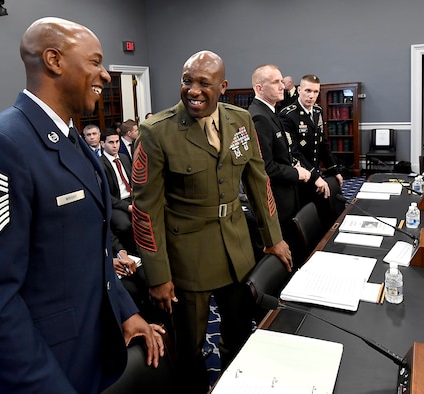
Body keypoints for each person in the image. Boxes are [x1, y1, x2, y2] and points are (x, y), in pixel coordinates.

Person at [0, 17, 164, 393]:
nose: (105, 74)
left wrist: (125, 312)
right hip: (35, 371)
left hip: (86, 350)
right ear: (54, 60)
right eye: (95, 61)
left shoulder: (71, 140)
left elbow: (89, 253)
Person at [132, 50, 292, 393]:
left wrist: (273, 237)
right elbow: (146, 210)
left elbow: (257, 179)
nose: (193, 90)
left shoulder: (240, 120)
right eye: (187, 81)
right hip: (187, 259)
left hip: (236, 251)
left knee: (238, 335)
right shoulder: (157, 131)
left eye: (204, 83)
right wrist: (158, 275)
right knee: (190, 349)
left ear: (223, 86)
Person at [248, 64, 314, 266]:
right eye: (275, 82)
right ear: (259, 88)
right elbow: (266, 167)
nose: (282, 86)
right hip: (275, 199)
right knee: (280, 259)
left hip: (286, 195)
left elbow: (282, 154)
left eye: (281, 81)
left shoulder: (270, 111)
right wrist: (297, 173)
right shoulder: (258, 116)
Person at [279, 74, 345, 228]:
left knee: (324, 215)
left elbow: (322, 144)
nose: (311, 95)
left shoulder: (317, 112)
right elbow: (293, 152)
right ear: (299, 90)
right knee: (304, 220)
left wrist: (334, 170)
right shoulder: (287, 115)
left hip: (316, 172)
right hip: (299, 177)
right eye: (308, 90)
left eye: (316, 92)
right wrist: (315, 176)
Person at [99, 127, 136, 254]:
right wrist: (127, 207)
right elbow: (104, 194)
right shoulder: (99, 164)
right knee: (125, 225)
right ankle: (130, 253)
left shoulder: (124, 158)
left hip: (132, 197)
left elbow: (133, 181)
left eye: (117, 141)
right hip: (116, 202)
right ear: (102, 144)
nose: (115, 145)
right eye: (111, 142)